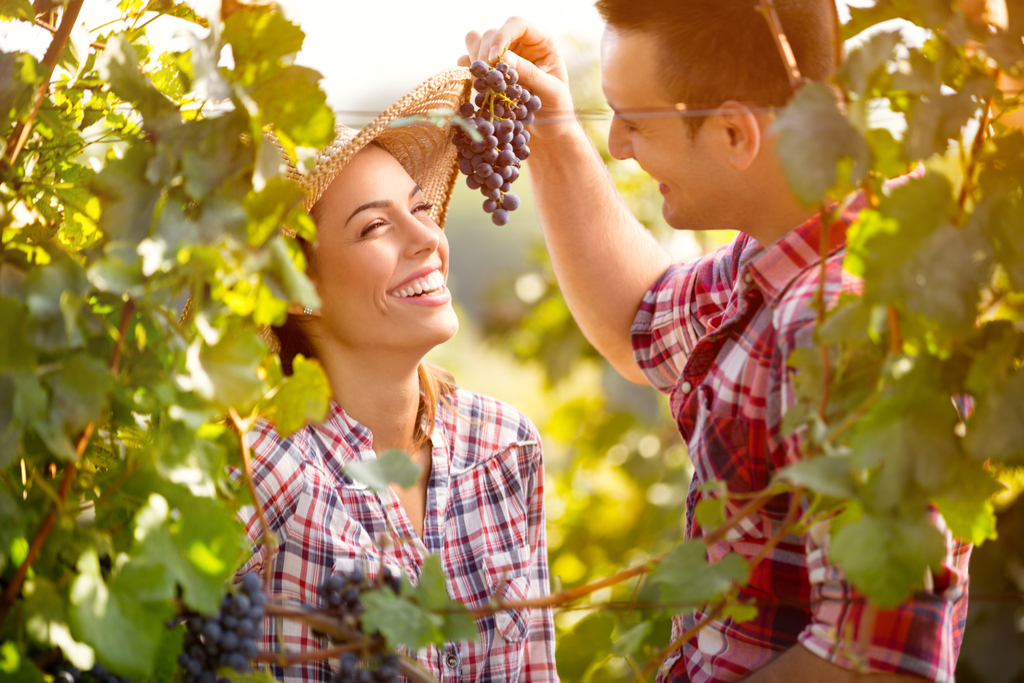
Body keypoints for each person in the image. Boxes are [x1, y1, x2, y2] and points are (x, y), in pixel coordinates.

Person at [460, 2, 969, 682]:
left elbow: (876, 665)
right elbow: (637, 322)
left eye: (635, 121)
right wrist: (552, 131)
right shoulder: (774, 260)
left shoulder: (848, 326)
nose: (616, 143)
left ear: (734, 133)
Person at [231, 70, 557, 682]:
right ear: (296, 288)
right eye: (375, 226)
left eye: (422, 208)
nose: (427, 239)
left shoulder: (505, 445)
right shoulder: (261, 471)